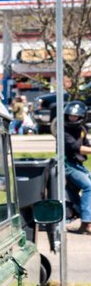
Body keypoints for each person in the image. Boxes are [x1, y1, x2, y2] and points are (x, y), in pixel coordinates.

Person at [63, 100, 91, 233]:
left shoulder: (82, 130)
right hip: (67, 165)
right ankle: (86, 221)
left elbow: (87, 145)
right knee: (88, 186)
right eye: (70, 115)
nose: (72, 118)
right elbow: (75, 147)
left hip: (78, 165)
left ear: (81, 117)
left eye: (75, 116)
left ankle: (84, 222)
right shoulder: (63, 130)